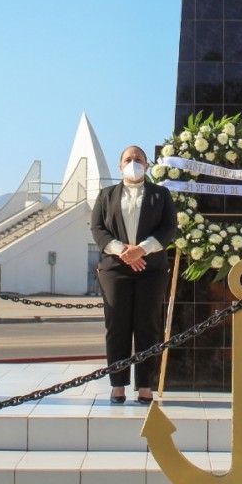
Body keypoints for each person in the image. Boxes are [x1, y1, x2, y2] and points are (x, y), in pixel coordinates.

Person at [91, 146, 177, 405]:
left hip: (150, 270)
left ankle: (145, 385)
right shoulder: (106, 196)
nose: (133, 163)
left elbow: (168, 227)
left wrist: (141, 250)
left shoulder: (160, 195)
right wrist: (123, 252)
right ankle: (117, 384)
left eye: (138, 159)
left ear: (147, 166)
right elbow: (98, 229)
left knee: (147, 326)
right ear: (120, 167)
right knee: (117, 326)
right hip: (115, 270)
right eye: (128, 159)